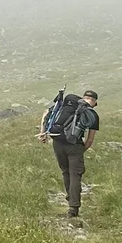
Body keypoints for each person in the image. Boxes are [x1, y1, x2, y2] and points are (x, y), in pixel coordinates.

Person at [39, 89, 100, 219]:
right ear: (94, 102)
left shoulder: (67, 105)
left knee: (66, 172)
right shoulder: (91, 114)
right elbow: (89, 140)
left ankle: (70, 197)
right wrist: (80, 150)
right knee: (75, 175)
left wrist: (43, 133)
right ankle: (73, 208)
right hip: (75, 145)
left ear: (83, 98)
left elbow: (46, 114)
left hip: (58, 143)